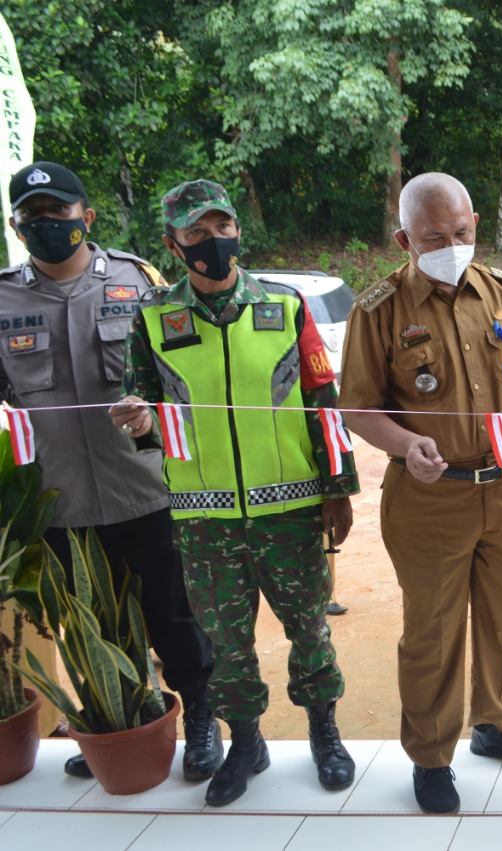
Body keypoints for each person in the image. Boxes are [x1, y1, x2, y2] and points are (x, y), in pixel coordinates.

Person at [111, 179, 359, 807]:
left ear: (237, 230)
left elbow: (322, 403)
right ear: (173, 244)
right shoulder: (154, 318)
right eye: (196, 233)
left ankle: (323, 732)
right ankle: (245, 741)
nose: (212, 242)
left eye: (221, 227)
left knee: (308, 628)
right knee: (226, 640)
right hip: (204, 517)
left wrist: (338, 491)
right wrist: (139, 423)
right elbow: (143, 410)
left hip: (291, 509)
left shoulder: (286, 305)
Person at [339, 173, 502, 815]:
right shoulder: (378, 309)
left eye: (462, 232)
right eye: (435, 237)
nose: (452, 244)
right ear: (404, 237)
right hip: (430, 495)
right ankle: (431, 755)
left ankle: (494, 725)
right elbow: (357, 408)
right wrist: (403, 444)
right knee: (434, 632)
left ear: (475, 224)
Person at [0, 161, 220, 782]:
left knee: (172, 614)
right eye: (33, 216)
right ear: (17, 227)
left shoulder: (138, 283)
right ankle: (120, 717)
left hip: (145, 489)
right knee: (92, 620)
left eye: (59, 212)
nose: (48, 224)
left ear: (86, 217)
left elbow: (184, 380)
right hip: (58, 499)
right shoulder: (2, 298)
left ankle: (202, 718)